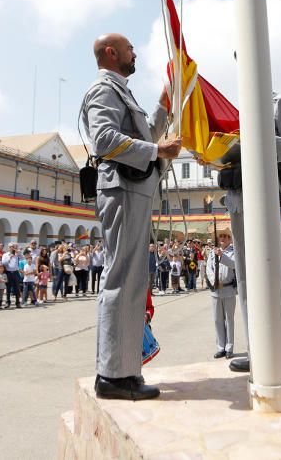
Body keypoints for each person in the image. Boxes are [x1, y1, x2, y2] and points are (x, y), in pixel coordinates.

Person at [82, 32, 180, 401]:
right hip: (121, 189)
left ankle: (124, 369)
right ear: (111, 52)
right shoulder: (103, 89)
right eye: (128, 48)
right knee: (120, 277)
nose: (133, 52)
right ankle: (112, 374)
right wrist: (156, 148)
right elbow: (104, 139)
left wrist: (164, 103)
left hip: (133, 190)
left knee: (132, 279)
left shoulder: (121, 89)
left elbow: (142, 134)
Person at [216, 90, 281, 376]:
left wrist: (257, 138)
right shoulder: (232, 108)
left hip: (266, 193)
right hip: (236, 196)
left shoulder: (279, 102)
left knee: (275, 274)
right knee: (244, 276)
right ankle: (256, 349)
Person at [206, 233, 237, 359]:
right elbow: (209, 268)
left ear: (230, 238)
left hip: (229, 289)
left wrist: (222, 256)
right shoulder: (213, 253)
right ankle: (220, 347)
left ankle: (229, 348)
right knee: (217, 320)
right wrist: (214, 281)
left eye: (225, 236)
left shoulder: (233, 251)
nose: (222, 239)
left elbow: (234, 265)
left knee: (229, 320)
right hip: (216, 290)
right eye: (221, 237)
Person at [1, 243, 22, 308]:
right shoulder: (5, 255)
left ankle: (17, 302)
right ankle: (8, 302)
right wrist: (9, 258)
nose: (12, 248)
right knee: (8, 288)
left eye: (13, 246)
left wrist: (18, 252)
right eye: (10, 247)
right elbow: (3, 263)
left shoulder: (16, 254)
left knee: (17, 288)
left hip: (15, 272)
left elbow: (23, 258)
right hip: (8, 272)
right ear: (8, 247)